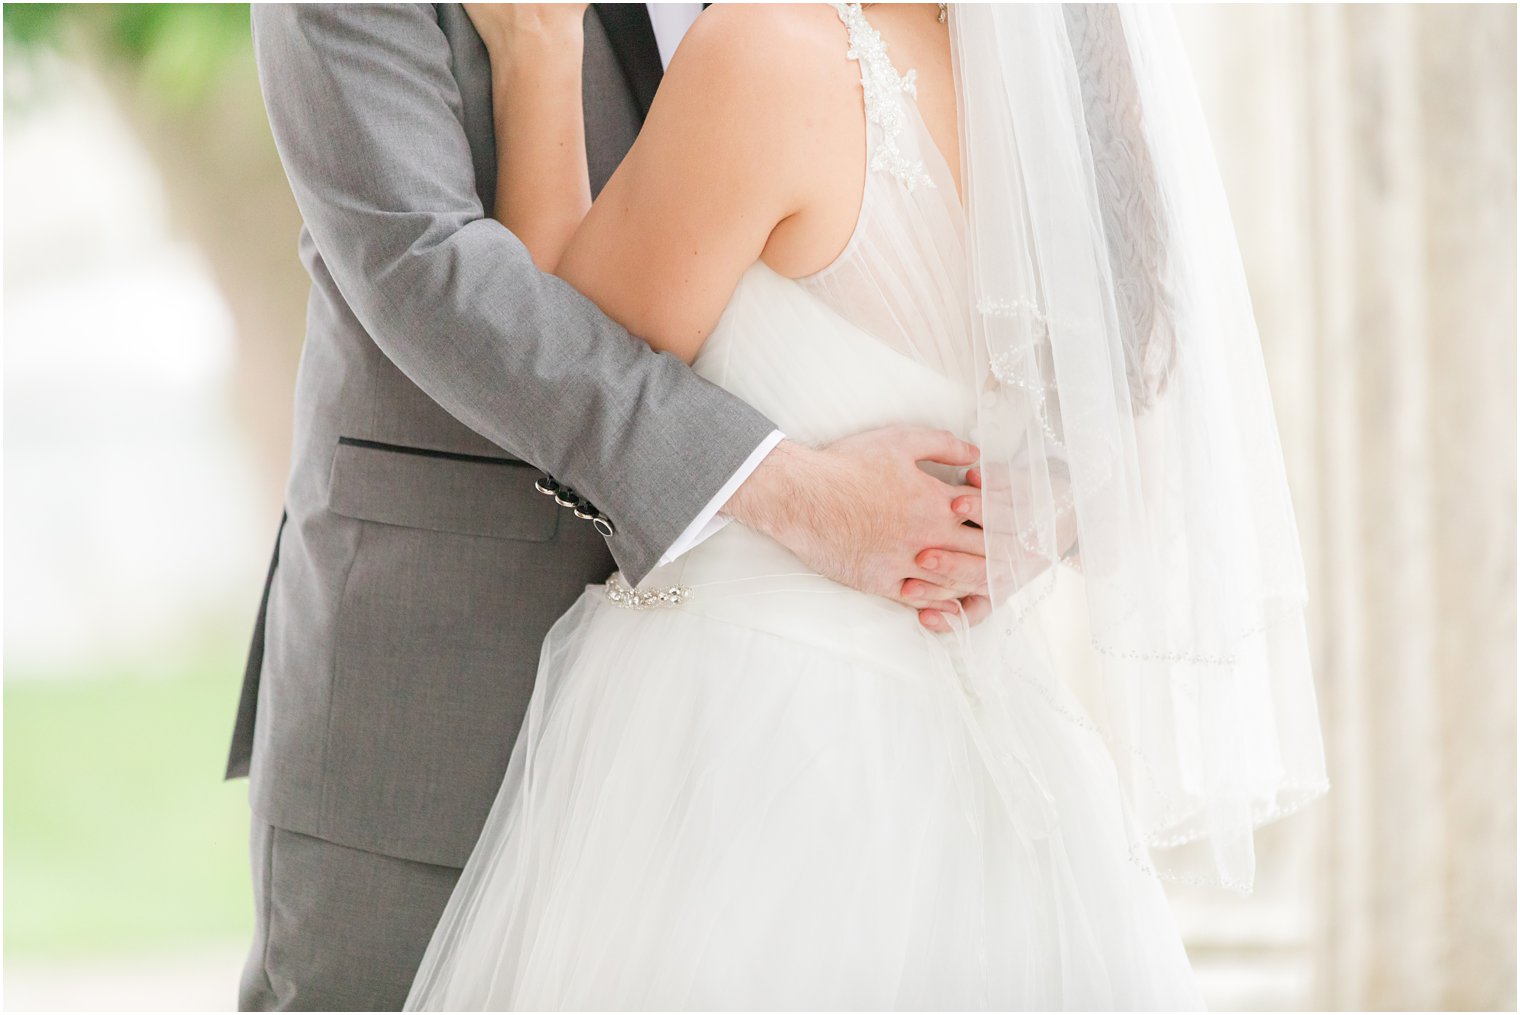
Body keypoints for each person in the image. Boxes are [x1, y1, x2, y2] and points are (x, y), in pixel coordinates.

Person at [404, 2, 1328, 1010]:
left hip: (742, 738)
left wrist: (535, 54)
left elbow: (558, 370)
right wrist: (1015, 521)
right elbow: (1135, 438)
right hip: (989, 751)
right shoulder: (1075, 96)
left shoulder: (769, 57)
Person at [231, 3, 997, 1010]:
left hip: (796, 733)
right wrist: (796, 492)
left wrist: (996, 516)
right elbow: (422, 266)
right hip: (445, 674)